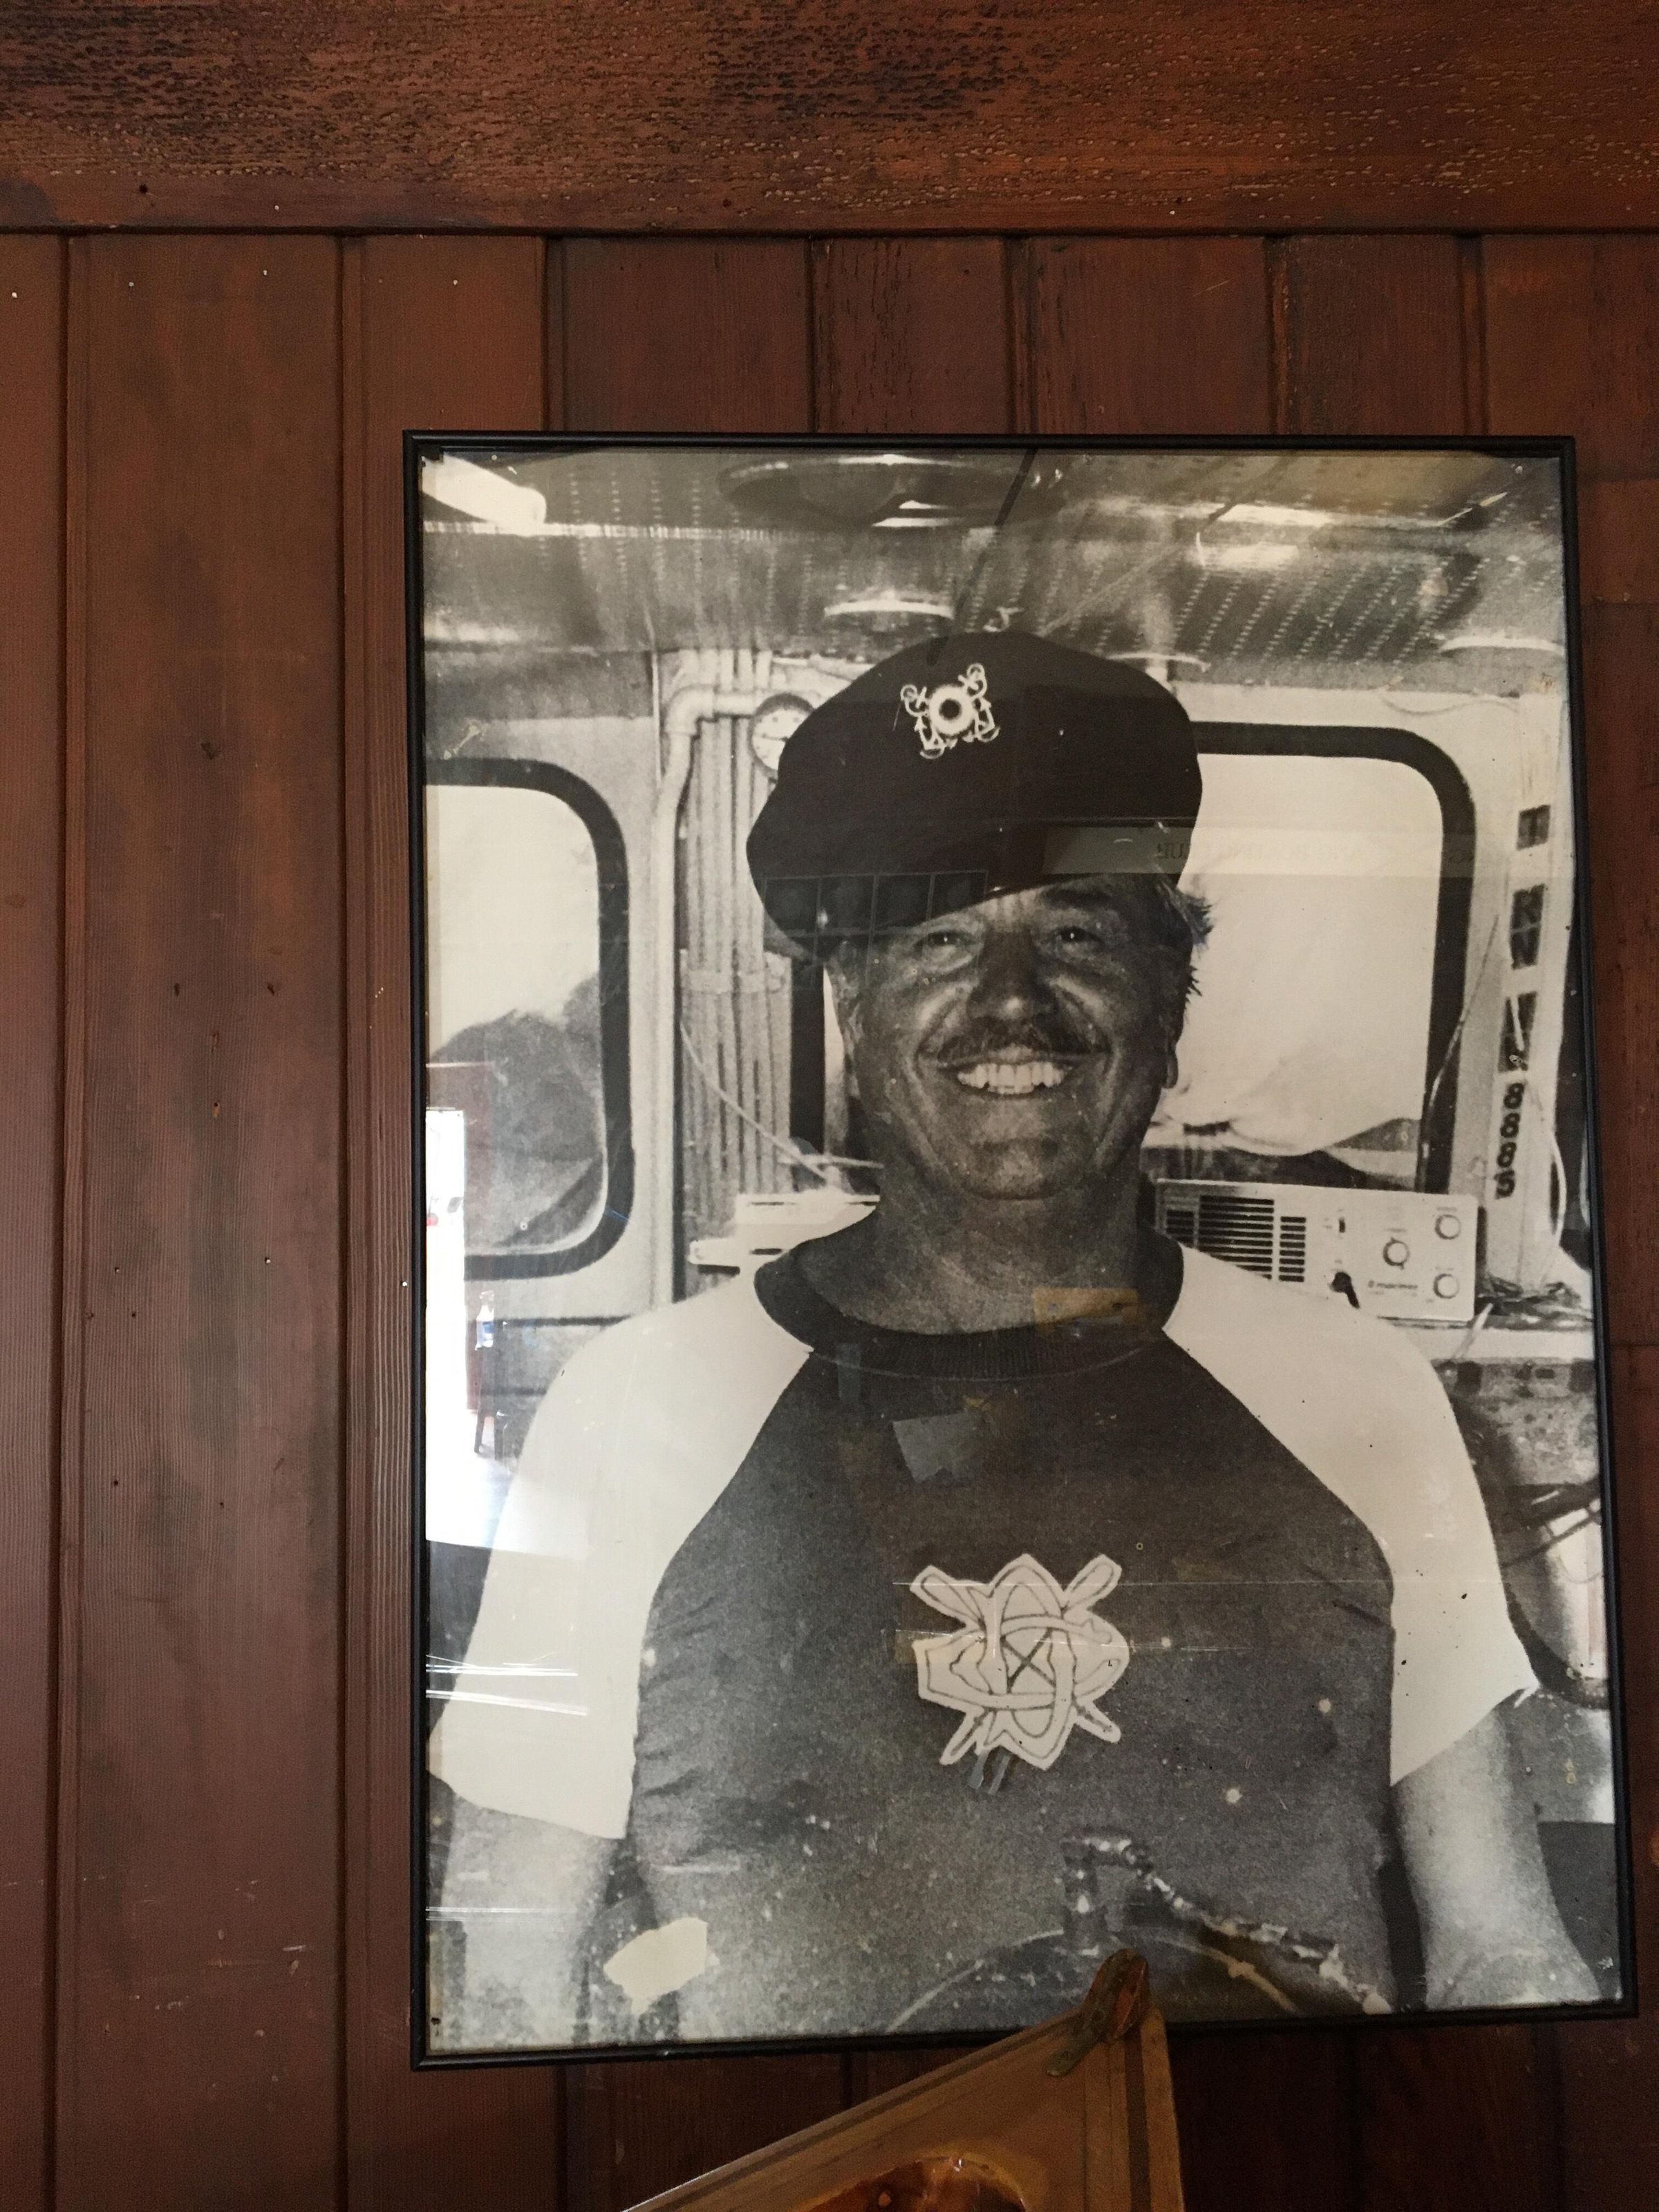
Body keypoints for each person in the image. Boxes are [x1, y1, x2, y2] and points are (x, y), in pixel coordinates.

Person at [429, 632, 1594, 2049]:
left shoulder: (1361, 1394)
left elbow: (1499, 1953)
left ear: (1171, 998)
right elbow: (507, 1983)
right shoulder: (636, 1410)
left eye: (1079, 934)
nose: (1013, 1002)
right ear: (853, 1006)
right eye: (938, 937)